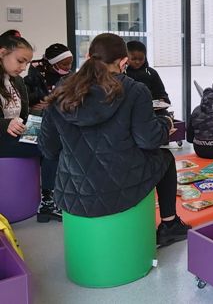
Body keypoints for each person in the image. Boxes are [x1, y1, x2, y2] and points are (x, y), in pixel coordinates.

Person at [38, 33, 190, 246]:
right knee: (165, 158)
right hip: (122, 184)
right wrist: (165, 123)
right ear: (123, 62)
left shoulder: (62, 90)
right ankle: (169, 224)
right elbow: (148, 141)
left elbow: (49, 149)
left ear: (88, 55)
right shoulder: (135, 90)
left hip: (73, 191)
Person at [0, 35, 61, 222]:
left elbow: (23, 115)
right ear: (2, 53)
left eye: (26, 62)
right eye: (20, 61)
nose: (23, 67)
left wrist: (34, 123)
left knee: (55, 134)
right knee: (51, 144)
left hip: (15, 133)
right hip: (3, 136)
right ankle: (48, 202)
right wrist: (6, 124)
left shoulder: (17, 81)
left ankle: (49, 199)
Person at [24, 43, 73, 114]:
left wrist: (51, 106)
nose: (69, 67)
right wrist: (37, 99)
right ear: (52, 63)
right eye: (65, 64)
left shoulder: (71, 78)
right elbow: (24, 100)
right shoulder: (33, 77)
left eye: (70, 63)